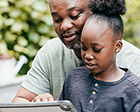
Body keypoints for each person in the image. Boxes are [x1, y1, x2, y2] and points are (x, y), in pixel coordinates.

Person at [12, 0, 140, 102]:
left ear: (96, 12)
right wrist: (37, 103)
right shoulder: (51, 53)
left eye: (74, 15)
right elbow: (20, 101)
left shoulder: (134, 62)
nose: (64, 26)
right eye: (57, 20)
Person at [59, 0, 140, 112]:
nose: (88, 55)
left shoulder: (133, 89)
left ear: (118, 46)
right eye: (84, 48)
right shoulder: (73, 78)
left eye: (96, 49)